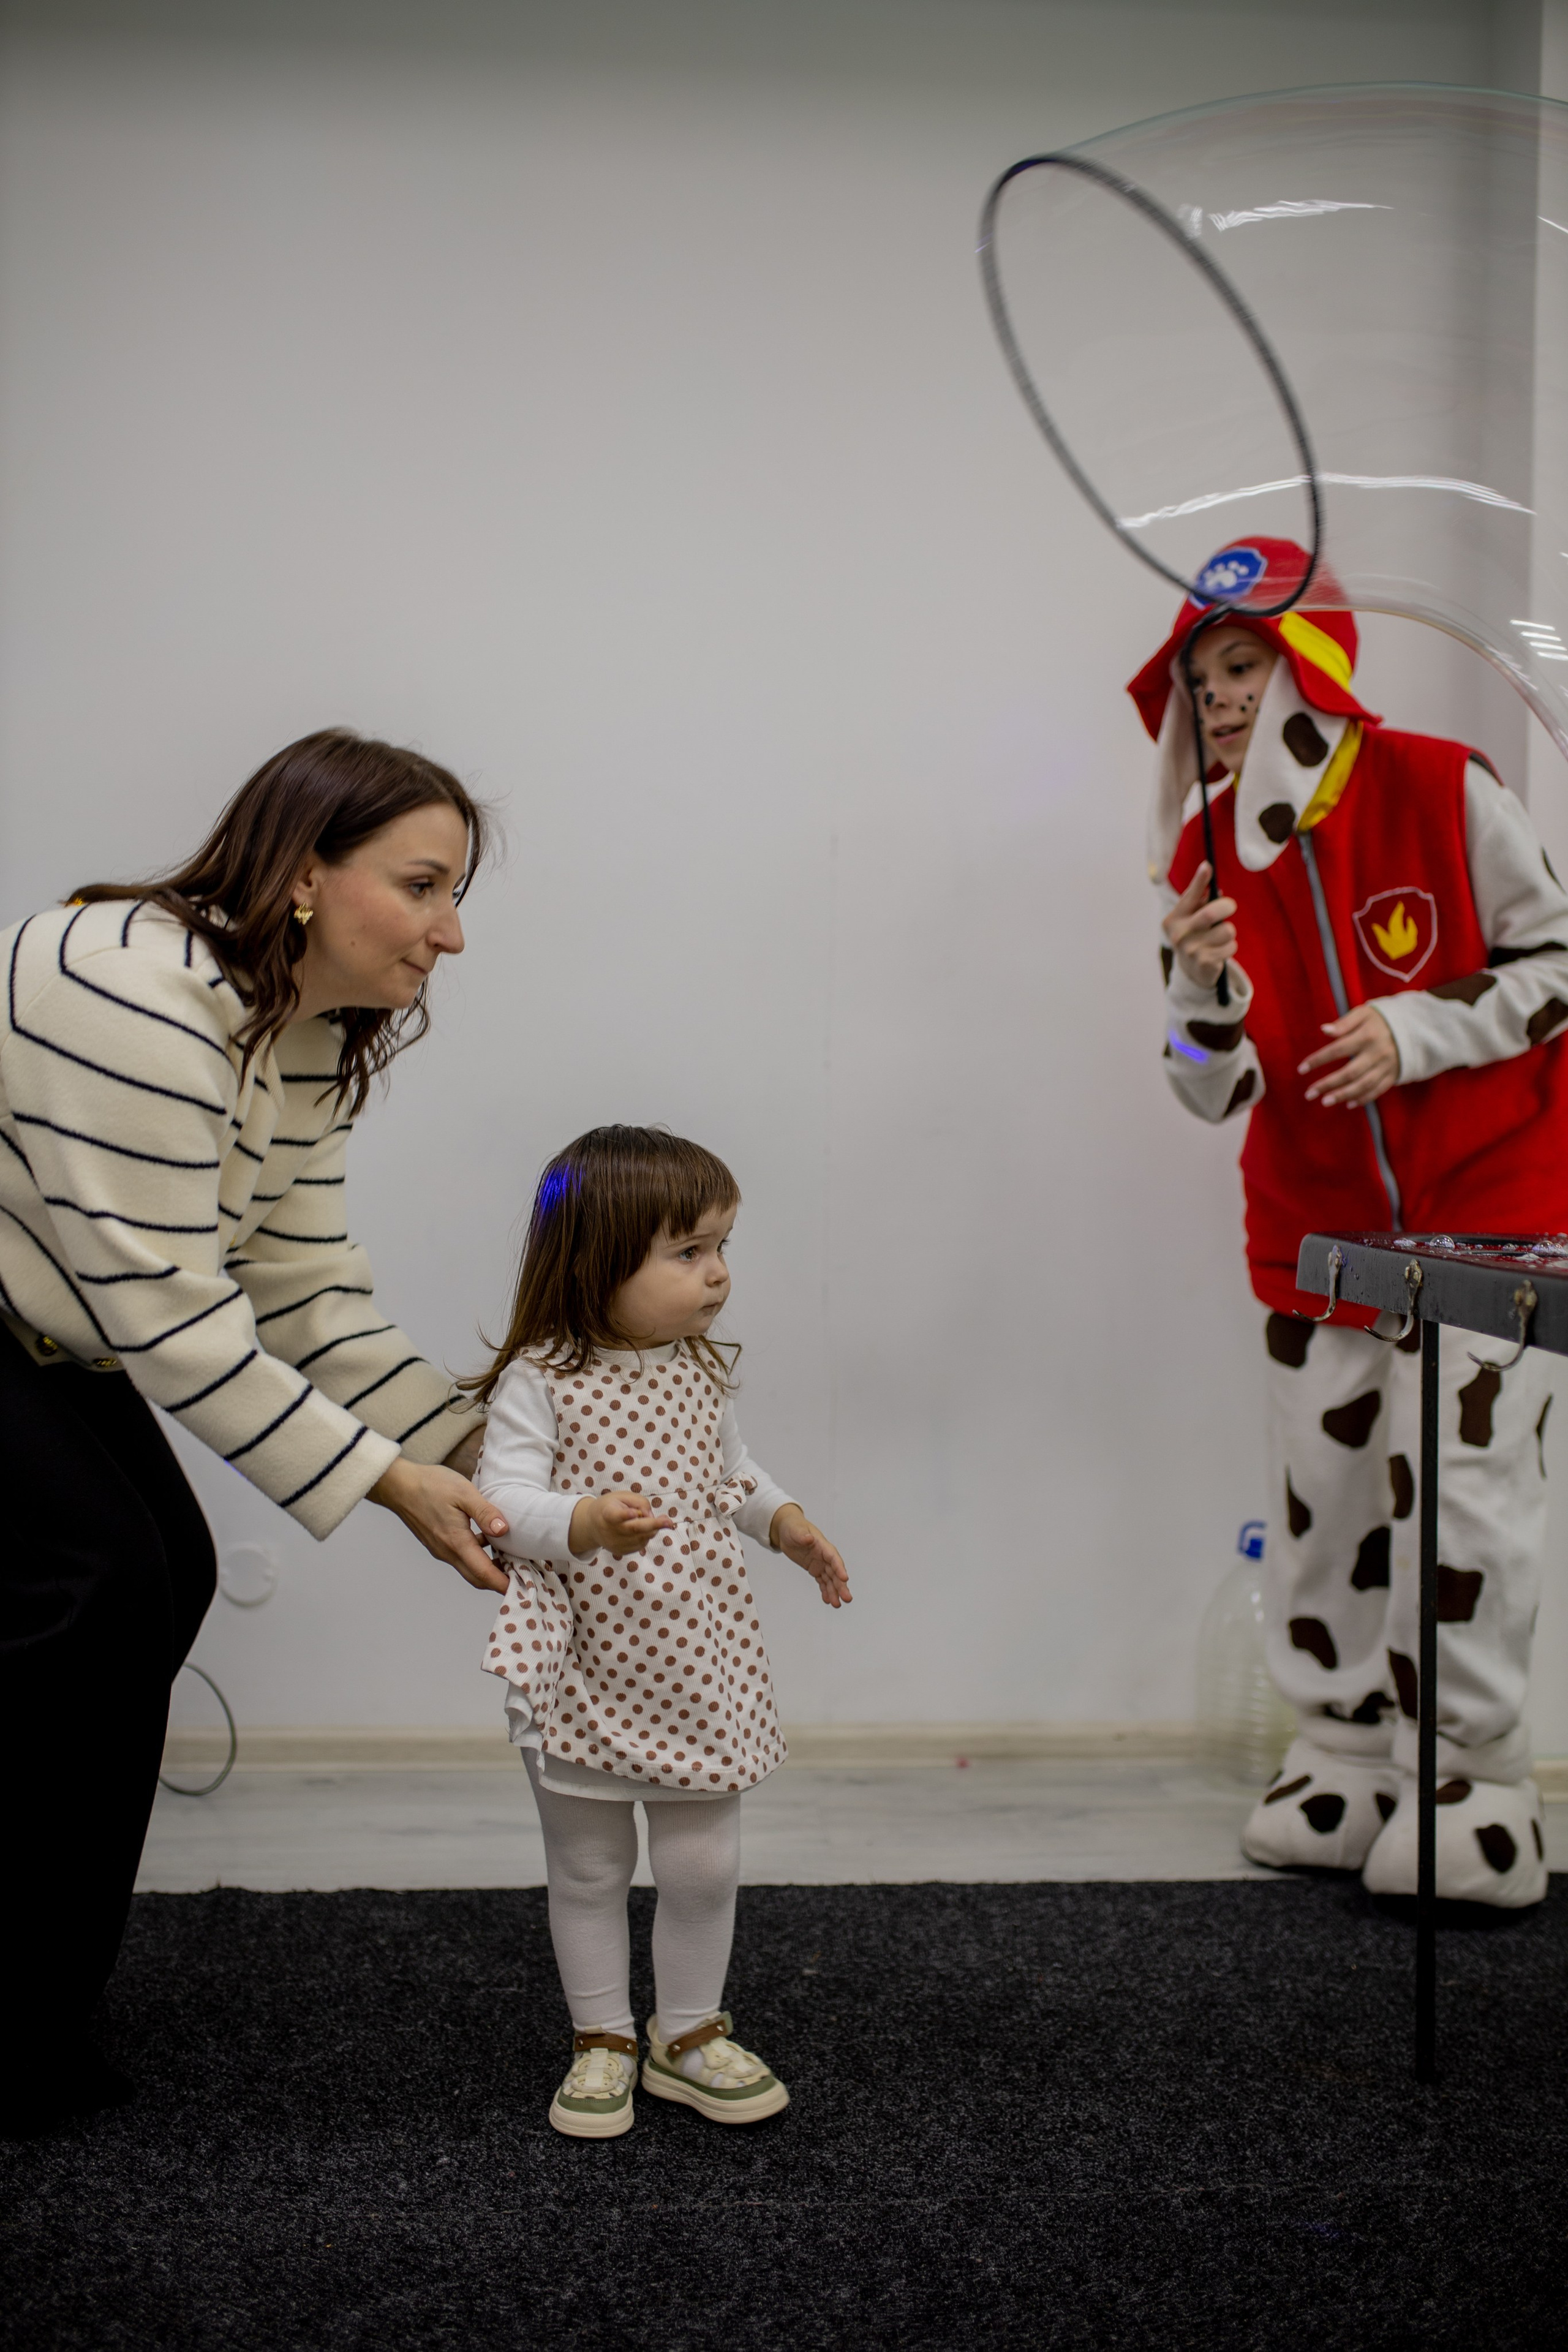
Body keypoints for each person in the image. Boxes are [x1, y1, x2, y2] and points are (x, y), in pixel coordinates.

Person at [0, 728, 512, 2136]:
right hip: (44, 1314)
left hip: (62, 1323)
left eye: (456, 895)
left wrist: (489, 1457)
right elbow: (172, 1318)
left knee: (165, 1572)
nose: (450, 933)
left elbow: (301, 1291)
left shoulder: (291, 1032)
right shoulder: (124, 984)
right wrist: (392, 1485)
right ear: (301, 873)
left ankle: (34, 1994)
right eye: (421, 885)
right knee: (100, 1583)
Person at [1131, 537, 1568, 1908]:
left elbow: (1555, 960)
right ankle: (1341, 1752)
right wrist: (1196, 993)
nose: (1214, 701)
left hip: (1492, 1214)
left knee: (1466, 1498)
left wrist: (1413, 1030)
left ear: (1309, 665)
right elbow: (1207, 1091)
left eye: (1241, 666)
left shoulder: (1444, 787)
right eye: (1200, 678)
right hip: (1312, 1230)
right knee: (1320, 1504)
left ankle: (1472, 1782)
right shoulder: (1203, 858)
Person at [472, 1124, 850, 2137]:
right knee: (591, 1866)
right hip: (585, 1662)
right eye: (688, 1252)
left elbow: (731, 1475)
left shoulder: (695, 1368)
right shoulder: (542, 1380)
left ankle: (686, 2034)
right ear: (596, 1261)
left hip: (696, 1656)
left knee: (702, 1864)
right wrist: (581, 1520)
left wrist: (786, 1522)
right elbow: (500, 1497)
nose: (719, 1275)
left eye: (723, 1247)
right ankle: (604, 2039)